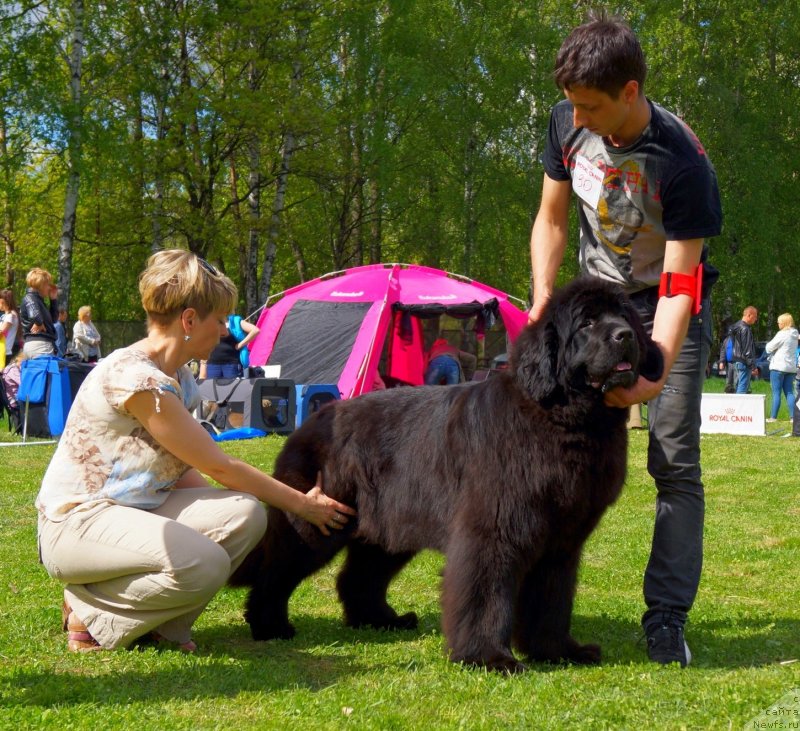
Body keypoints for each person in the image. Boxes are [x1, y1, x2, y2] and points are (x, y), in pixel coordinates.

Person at [35, 249, 356, 653]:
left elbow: (182, 465)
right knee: (204, 561)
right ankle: (88, 609)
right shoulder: (137, 379)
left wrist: (213, 521)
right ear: (189, 320)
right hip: (74, 524)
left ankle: (164, 626)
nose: (226, 331)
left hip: (132, 511)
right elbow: (221, 466)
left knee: (243, 515)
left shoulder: (180, 377)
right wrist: (302, 505)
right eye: (220, 320)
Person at [528, 12, 722, 666]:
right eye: (571, 104)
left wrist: (657, 368)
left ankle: (666, 618)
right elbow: (551, 217)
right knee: (544, 443)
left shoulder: (683, 161)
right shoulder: (565, 122)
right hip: (590, 299)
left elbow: (679, 280)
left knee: (673, 460)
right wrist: (541, 296)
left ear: (631, 93)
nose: (576, 119)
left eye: (591, 106)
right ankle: (539, 603)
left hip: (660, 301)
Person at [200, 314, 260, 379]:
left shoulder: (235, 321)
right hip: (212, 363)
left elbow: (255, 330)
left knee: (232, 388)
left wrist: (241, 344)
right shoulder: (210, 321)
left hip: (231, 363)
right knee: (212, 387)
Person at [764, 313, 798, 422]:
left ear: (784, 323)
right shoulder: (795, 334)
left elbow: (769, 348)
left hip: (778, 366)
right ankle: (793, 417)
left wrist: (772, 348)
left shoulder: (782, 334)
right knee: (789, 392)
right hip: (791, 368)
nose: (778, 323)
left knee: (776, 393)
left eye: (779, 322)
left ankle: (773, 417)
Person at [20, 268, 59, 358]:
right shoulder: (30, 298)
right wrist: (39, 323)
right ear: (41, 285)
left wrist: (53, 300)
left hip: (42, 345)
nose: (49, 287)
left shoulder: (38, 301)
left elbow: (54, 319)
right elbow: (35, 316)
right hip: (40, 346)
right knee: (45, 372)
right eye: (47, 284)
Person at [728, 306, 758, 394]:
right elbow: (747, 349)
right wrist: (753, 366)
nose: (756, 319)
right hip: (744, 362)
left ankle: (735, 406)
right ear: (749, 315)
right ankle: (738, 407)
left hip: (736, 361)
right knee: (742, 388)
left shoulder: (736, 326)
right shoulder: (745, 329)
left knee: (738, 385)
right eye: (755, 316)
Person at [0, 288, 21, 367]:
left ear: (3, 302)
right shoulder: (5, 315)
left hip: (4, 353)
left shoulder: (11, 316)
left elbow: (1, 332)